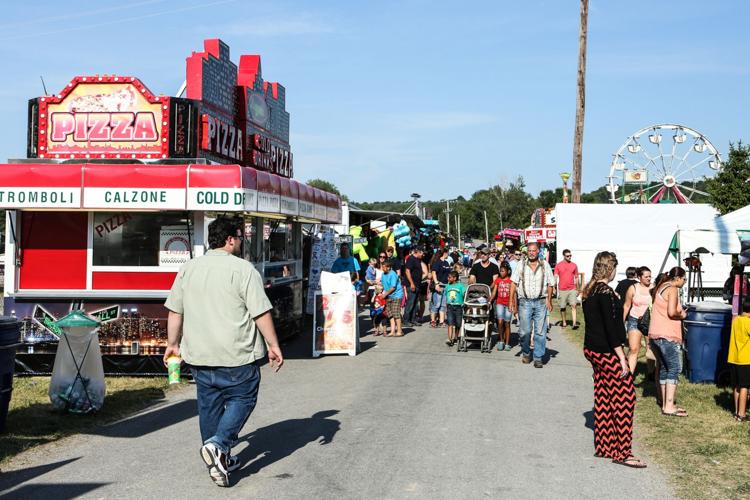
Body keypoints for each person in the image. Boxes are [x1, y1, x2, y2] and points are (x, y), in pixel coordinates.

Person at [164, 216, 284, 487]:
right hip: (236, 353)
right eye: (240, 237)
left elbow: (175, 310)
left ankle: (221, 460)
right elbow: (260, 312)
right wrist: (273, 345)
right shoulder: (243, 270)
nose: (241, 242)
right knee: (243, 399)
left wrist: (173, 344)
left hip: (199, 354)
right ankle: (218, 445)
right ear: (230, 239)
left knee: (209, 407)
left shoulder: (188, 269)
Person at [581, 251, 645, 468]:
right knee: (625, 398)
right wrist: (622, 359)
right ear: (610, 268)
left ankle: (605, 446)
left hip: (592, 349)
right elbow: (610, 328)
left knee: (604, 396)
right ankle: (623, 452)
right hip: (607, 351)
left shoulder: (590, 290)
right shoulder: (606, 293)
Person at [649, 267, 688, 417]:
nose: (684, 282)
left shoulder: (661, 286)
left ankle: (665, 403)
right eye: (684, 279)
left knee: (664, 368)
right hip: (668, 335)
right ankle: (669, 405)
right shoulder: (672, 289)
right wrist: (682, 315)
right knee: (674, 368)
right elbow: (672, 312)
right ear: (678, 278)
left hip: (655, 334)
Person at [509, 242, 554, 368]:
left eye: (534, 250)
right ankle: (526, 352)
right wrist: (511, 301)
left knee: (540, 331)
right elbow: (513, 283)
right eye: (529, 250)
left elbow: (551, 284)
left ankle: (538, 357)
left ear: (539, 251)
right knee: (525, 331)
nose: (532, 253)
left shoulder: (545, 265)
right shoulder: (521, 265)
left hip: (540, 302)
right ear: (526, 252)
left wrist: (549, 300)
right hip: (525, 302)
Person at [622, 266, 653, 375]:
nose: (649, 279)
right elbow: (626, 306)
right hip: (634, 320)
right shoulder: (633, 288)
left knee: (650, 348)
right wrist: (622, 322)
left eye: (650, 276)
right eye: (646, 277)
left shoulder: (654, 288)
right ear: (639, 277)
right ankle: (629, 376)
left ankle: (651, 373)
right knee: (634, 348)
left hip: (650, 322)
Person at [728, 298, 750, 421]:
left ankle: (736, 411)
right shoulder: (748, 323)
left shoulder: (736, 320)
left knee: (736, 386)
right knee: (744, 386)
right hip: (746, 360)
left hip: (734, 358)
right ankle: (742, 414)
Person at [554, 249, 580, 329]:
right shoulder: (558, 265)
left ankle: (574, 323)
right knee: (563, 307)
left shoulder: (574, 265)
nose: (569, 257)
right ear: (564, 256)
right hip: (562, 289)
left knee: (574, 305)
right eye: (567, 256)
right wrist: (554, 287)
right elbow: (555, 277)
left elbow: (576, 277)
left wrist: (577, 288)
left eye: (570, 255)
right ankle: (564, 322)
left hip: (572, 288)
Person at [492, 263, 513, 351]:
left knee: (507, 323)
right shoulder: (498, 280)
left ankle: (507, 343)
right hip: (499, 303)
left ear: (508, 271)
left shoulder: (511, 281)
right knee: (500, 322)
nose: (501, 273)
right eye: (500, 271)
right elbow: (494, 292)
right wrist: (490, 300)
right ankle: (501, 341)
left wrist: (514, 305)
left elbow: (514, 294)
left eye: (503, 271)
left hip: (509, 304)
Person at [380, 260, 404, 336]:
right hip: (389, 295)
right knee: (390, 314)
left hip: (396, 295)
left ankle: (399, 331)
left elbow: (393, 287)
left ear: (389, 267)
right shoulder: (383, 274)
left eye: (384, 267)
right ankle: (393, 331)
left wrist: (385, 294)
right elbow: (383, 284)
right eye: (382, 267)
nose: (382, 268)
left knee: (396, 312)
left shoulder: (393, 274)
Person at [430, 249, 452, 328]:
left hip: (446, 285)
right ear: (444, 253)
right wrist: (436, 284)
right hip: (439, 285)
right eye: (447, 253)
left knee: (443, 305)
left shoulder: (446, 263)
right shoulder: (437, 262)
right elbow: (433, 272)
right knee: (436, 304)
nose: (448, 254)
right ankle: (433, 321)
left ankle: (442, 321)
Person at [403, 247, 424, 327]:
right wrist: (411, 283)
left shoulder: (418, 260)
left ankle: (413, 319)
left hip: (418, 284)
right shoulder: (411, 259)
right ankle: (406, 320)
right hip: (412, 284)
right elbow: (407, 271)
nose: (423, 255)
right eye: (421, 253)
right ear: (417, 252)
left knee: (415, 303)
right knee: (410, 303)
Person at [444, 270, 465, 346]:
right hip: (450, 307)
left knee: (458, 323)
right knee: (450, 323)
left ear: (455, 278)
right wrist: (446, 306)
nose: (448, 279)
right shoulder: (447, 286)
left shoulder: (460, 286)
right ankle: (449, 339)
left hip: (458, 307)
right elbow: (446, 297)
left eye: (449, 277)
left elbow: (464, 294)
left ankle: (456, 337)